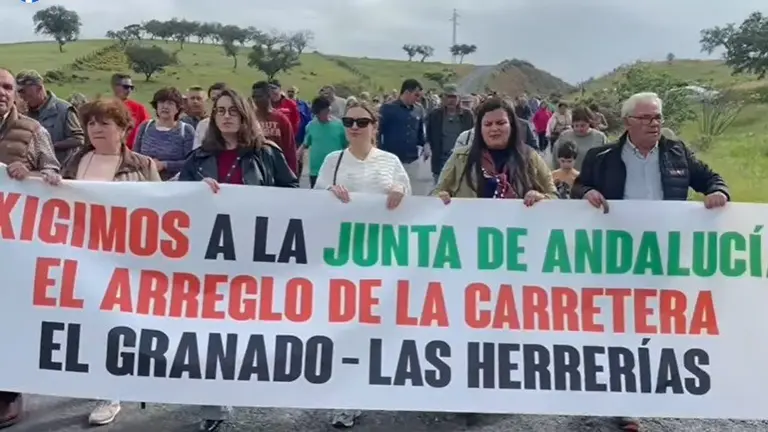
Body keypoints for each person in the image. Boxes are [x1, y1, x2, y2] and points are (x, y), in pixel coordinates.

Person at [0, 66, 61, 430]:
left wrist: (33, 176)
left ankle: (7, 390)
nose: (2, 92)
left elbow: (53, 177)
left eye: (7, 86)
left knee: (9, 317)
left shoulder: (34, 131)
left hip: (13, 247)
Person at [434, 98, 556, 203]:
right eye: (488, 124)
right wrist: (440, 198)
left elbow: (554, 196)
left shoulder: (530, 157)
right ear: (479, 129)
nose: (494, 128)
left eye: (501, 123)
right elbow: (436, 193)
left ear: (512, 126)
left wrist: (541, 198)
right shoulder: (460, 157)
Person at [179, 87, 298, 190]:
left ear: (243, 115)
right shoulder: (198, 157)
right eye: (221, 111)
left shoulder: (266, 153)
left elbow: (291, 191)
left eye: (233, 111)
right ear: (214, 117)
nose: (226, 116)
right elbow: (182, 195)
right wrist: (197, 189)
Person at [315, 100, 409, 214]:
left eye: (362, 122)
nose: (354, 127)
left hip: (381, 229)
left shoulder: (391, 160)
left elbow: (409, 200)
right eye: (348, 122)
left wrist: (401, 190)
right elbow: (317, 197)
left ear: (374, 127)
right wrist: (329, 191)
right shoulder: (332, 160)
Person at [15, 69, 84, 163]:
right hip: (32, 168)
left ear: (39, 89)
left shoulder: (63, 109)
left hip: (59, 169)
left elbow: (78, 139)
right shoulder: (23, 111)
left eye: (24, 92)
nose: (21, 96)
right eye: (19, 92)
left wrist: (50, 146)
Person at [378, 78, 429, 195]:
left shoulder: (419, 109)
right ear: (406, 92)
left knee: (409, 192)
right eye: (416, 95)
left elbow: (421, 132)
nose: (418, 99)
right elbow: (378, 132)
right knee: (389, 192)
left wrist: (425, 146)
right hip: (391, 159)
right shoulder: (388, 109)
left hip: (412, 160)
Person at [133, 87, 195, 180]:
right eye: (161, 102)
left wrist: (164, 165)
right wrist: (149, 164)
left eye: (170, 103)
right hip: (144, 182)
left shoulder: (186, 130)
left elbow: (192, 163)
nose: (165, 106)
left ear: (177, 109)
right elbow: (134, 156)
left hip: (175, 184)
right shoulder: (145, 126)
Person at [425, 84, 473, 183]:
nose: (451, 100)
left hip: (461, 160)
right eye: (448, 97)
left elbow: (473, 136)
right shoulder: (435, 115)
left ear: (459, 98)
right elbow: (428, 135)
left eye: (454, 97)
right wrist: (427, 146)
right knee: (440, 191)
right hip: (440, 159)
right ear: (443, 98)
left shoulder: (467, 115)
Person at [298, 96, 347, 188]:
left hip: (335, 170)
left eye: (326, 111)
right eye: (320, 114)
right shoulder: (311, 126)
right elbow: (306, 143)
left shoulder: (339, 126)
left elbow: (346, 146)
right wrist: (298, 153)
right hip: (316, 171)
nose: (323, 116)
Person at [251, 81, 298, 174]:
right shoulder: (250, 118)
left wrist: (292, 174)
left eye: (259, 96)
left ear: (269, 96)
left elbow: (290, 149)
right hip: (256, 169)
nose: (256, 100)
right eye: (254, 97)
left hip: (277, 169)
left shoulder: (281, 119)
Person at [110, 73, 150, 149]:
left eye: (131, 87)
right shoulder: (105, 108)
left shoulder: (139, 108)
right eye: (126, 87)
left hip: (132, 152)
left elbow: (147, 132)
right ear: (114, 87)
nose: (129, 90)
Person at [193, 82, 227, 149]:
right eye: (214, 99)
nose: (217, 103)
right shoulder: (203, 125)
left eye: (219, 99)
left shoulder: (235, 124)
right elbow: (197, 152)